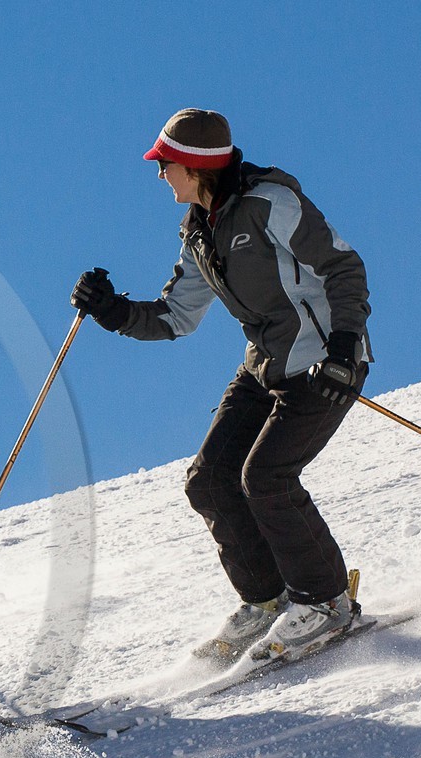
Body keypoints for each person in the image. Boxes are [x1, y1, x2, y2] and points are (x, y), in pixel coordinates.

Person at [70, 108, 371, 661]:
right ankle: (269, 598)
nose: (160, 174)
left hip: (322, 364)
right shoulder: (199, 231)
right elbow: (175, 317)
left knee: (267, 478)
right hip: (265, 367)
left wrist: (346, 346)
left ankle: (327, 602)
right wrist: (111, 311)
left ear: (193, 166)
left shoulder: (269, 203)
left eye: (165, 164)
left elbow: (342, 267)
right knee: (209, 481)